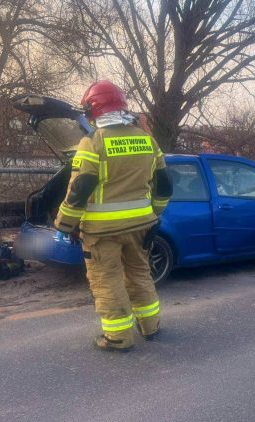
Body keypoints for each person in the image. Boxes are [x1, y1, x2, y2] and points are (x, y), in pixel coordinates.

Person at [54, 80, 172, 352]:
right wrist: (154, 213)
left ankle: (118, 337)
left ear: (93, 110)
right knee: (140, 274)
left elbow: (79, 189)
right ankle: (150, 327)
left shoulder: (93, 142)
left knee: (108, 280)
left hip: (101, 232)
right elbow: (165, 185)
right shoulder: (147, 140)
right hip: (142, 226)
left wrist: (64, 224)